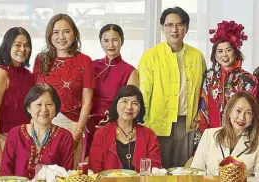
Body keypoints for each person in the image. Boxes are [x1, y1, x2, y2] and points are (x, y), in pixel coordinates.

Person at [137, 6, 206, 168]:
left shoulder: (197, 56)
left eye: (179, 25)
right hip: (157, 121)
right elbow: (143, 92)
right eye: (169, 25)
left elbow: (203, 90)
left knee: (183, 168)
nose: (174, 30)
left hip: (187, 122)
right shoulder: (150, 56)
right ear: (163, 28)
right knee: (157, 168)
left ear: (186, 28)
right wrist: (142, 123)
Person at [33, 13, 95, 165]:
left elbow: (87, 102)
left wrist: (77, 134)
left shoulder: (84, 61)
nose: (61, 36)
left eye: (66, 31)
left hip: (71, 125)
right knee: (41, 172)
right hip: (41, 124)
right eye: (56, 32)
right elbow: (34, 98)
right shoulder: (41, 60)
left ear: (74, 34)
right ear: (49, 35)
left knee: (69, 175)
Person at [85, 24, 139, 158]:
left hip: (116, 124)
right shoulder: (91, 65)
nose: (111, 44)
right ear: (100, 42)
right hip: (90, 123)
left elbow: (130, 104)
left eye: (115, 40)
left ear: (122, 41)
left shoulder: (130, 71)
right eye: (106, 40)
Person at [0, 84, 74, 179]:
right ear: (29, 108)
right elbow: (5, 173)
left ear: (56, 108)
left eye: (49, 104)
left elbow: (67, 176)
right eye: (39, 104)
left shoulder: (65, 137)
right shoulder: (15, 134)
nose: (44, 109)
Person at [198, 21, 258, 134]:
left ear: (235, 53)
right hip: (212, 133)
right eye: (220, 51)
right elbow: (202, 108)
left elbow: (252, 113)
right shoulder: (209, 78)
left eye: (228, 50)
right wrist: (203, 135)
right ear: (215, 55)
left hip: (239, 134)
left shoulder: (249, 80)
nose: (224, 55)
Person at [0, 27, 34, 169]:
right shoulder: (1, 73)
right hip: (3, 139)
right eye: (17, 44)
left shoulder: (29, 75)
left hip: (25, 140)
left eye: (26, 45)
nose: (22, 49)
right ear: (8, 46)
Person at [89, 85, 161, 173]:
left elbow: (155, 169)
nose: (129, 107)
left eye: (134, 103)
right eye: (125, 101)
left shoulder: (149, 135)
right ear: (116, 104)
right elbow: (95, 171)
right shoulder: (101, 134)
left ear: (140, 108)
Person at [191, 91, 259, 176]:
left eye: (248, 113)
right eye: (238, 111)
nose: (242, 117)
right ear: (229, 111)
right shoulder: (209, 135)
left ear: (252, 117)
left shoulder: (257, 142)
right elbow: (195, 172)